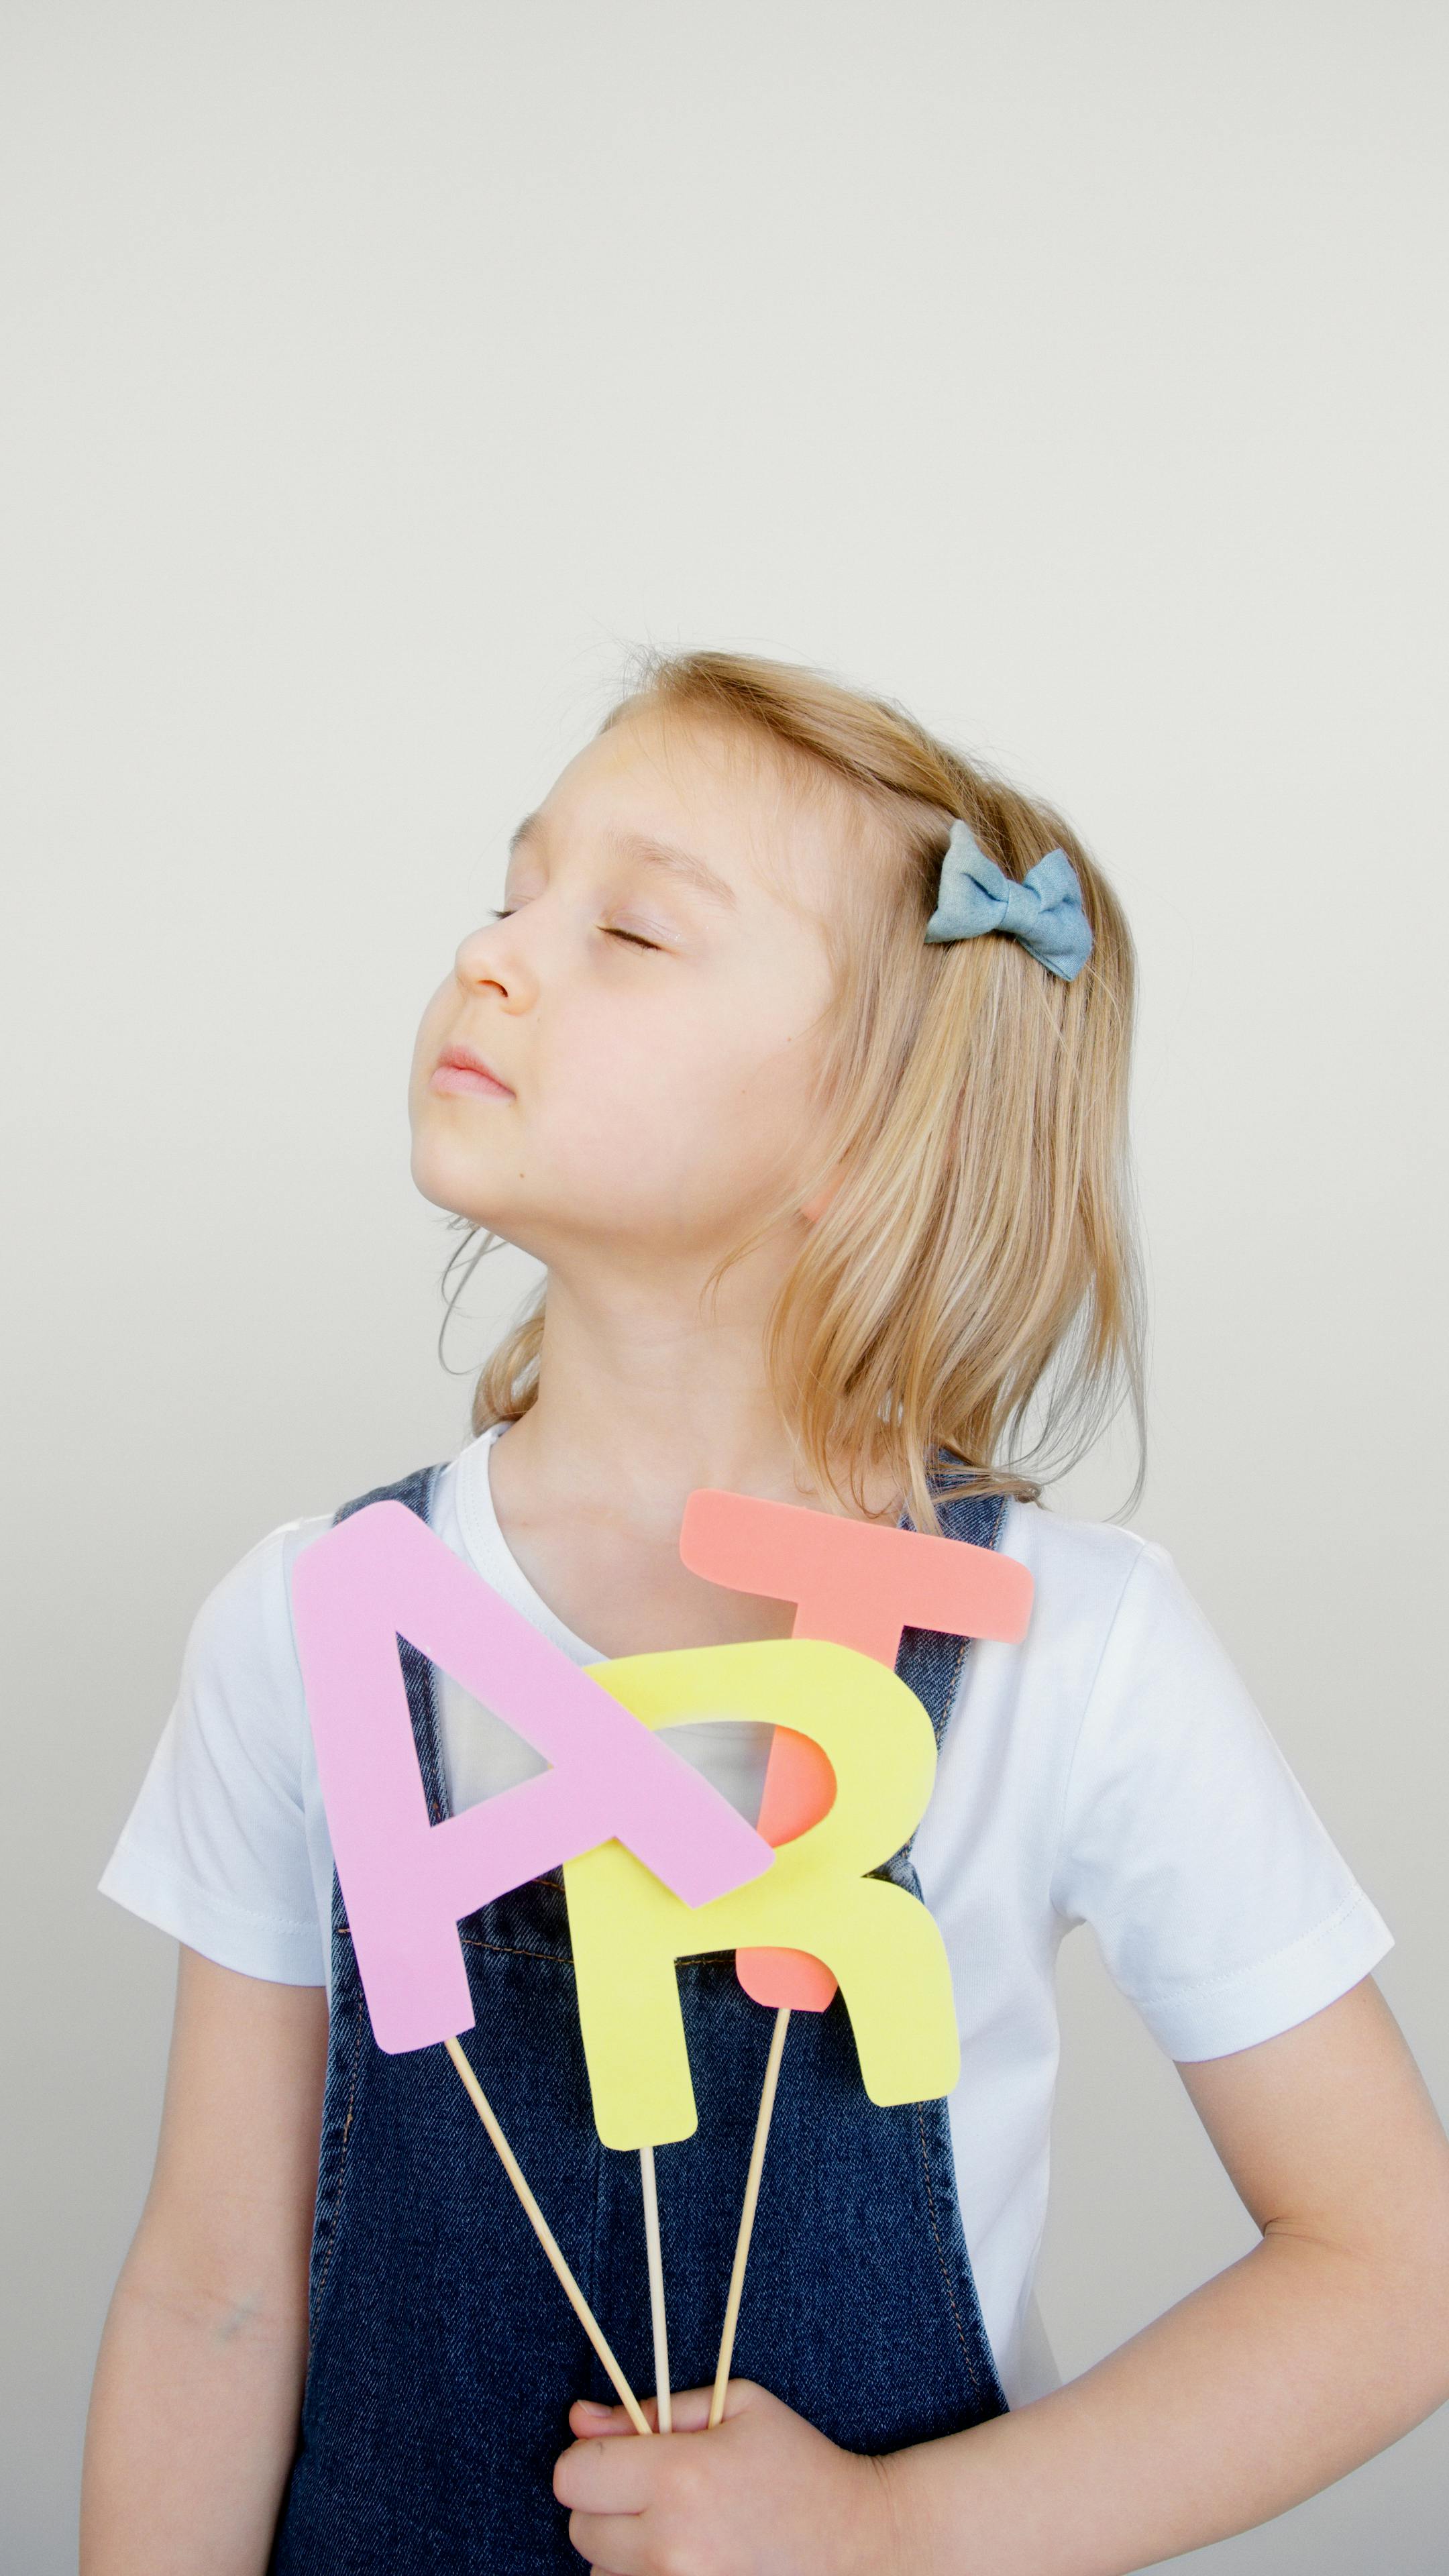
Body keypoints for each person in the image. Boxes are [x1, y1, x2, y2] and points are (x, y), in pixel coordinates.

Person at [81, 648, 1449, 2575]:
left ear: (865, 1136)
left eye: (632, 931)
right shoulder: (305, 1625)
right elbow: (214, 2293)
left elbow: (1395, 2272)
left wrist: (901, 2535)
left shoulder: (1077, 1647)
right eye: (511, 889)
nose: (498, 954)